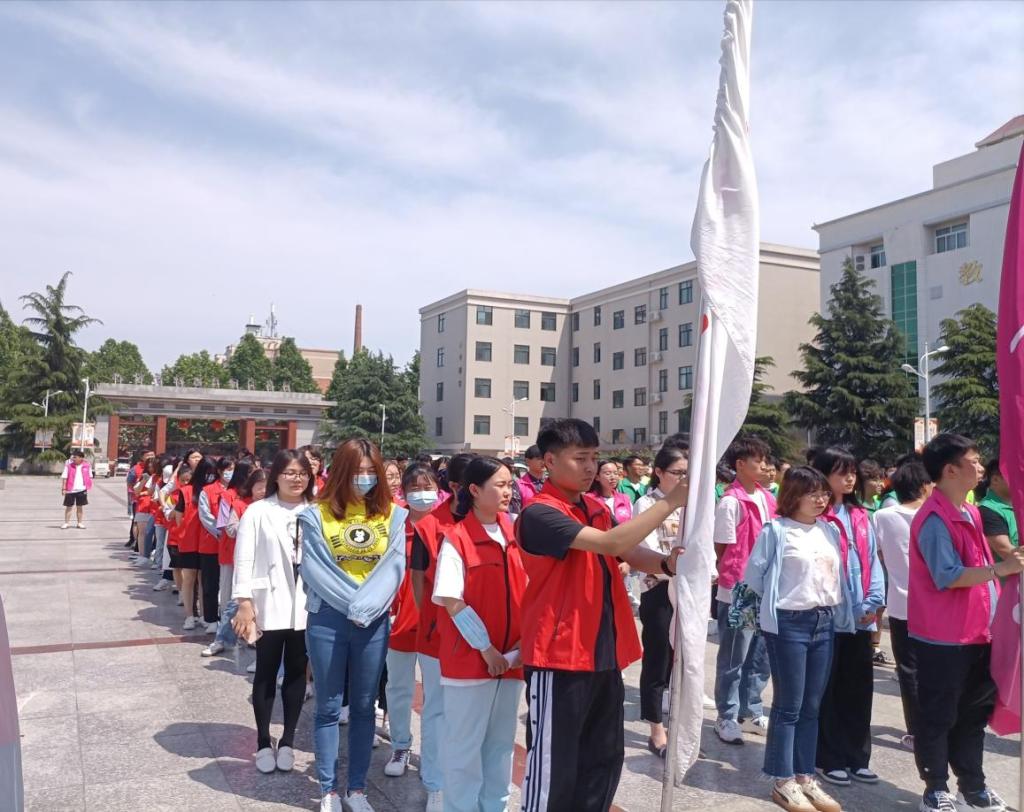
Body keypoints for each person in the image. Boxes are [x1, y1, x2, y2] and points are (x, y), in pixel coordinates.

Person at [517, 419, 686, 811]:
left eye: (594, 457)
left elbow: (629, 551)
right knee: (554, 768)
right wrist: (670, 502)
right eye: (580, 458)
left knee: (603, 761)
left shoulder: (594, 507)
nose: (590, 467)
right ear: (549, 461)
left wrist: (666, 563)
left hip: (603, 652)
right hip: (560, 656)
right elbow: (611, 543)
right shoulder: (540, 513)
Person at [909, 434, 1024, 812]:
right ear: (950, 470)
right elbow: (947, 575)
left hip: (979, 632)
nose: (980, 466)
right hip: (943, 637)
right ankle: (935, 789)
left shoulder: (971, 512)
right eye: (973, 461)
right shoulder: (934, 518)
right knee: (939, 716)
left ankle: (972, 788)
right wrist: (1000, 569)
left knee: (973, 717)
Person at [298, 439, 408, 812]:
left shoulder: (394, 515)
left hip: (373, 622)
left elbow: (394, 569)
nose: (364, 478)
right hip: (328, 618)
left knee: (363, 706)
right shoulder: (316, 514)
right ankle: (328, 790)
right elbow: (316, 570)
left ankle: (356, 789)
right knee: (328, 706)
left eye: (370, 472)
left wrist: (366, 608)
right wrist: (356, 605)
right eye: (357, 471)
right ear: (342, 472)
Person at [743, 466, 850, 812]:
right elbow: (753, 577)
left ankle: (805, 775)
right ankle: (782, 778)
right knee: (789, 705)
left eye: (823, 493)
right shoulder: (776, 530)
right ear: (793, 495)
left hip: (824, 620)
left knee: (812, 706)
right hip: (789, 623)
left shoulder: (829, 530)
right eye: (812, 493)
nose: (820, 499)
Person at [433, 457, 526, 812]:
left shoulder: (515, 532)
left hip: (512, 660)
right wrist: (487, 650)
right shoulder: (456, 538)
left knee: (501, 747)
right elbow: (452, 601)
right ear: (474, 490)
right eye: (500, 485)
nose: (508, 491)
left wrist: (517, 649)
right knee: (464, 749)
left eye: (510, 484)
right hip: (471, 662)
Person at [231, 450, 311, 776]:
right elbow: (244, 558)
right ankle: (264, 740)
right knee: (265, 671)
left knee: (297, 672)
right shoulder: (258, 511)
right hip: (268, 601)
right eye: (289, 472)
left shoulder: (317, 511)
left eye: (302, 472)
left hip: (305, 606)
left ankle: (288, 739)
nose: (296, 478)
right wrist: (244, 601)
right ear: (276, 475)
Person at [810, 447, 885, 787]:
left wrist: (873, 601)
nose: (850, 478)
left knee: (858, 687)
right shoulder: (816, 516)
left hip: (861, 616)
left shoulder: (860, 514)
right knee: (829, 688)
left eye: (853, 471)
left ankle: (858, 756)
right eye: (841, 472)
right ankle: (828, 757)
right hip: (829, 615)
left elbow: (873, 560)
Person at [410, 452, 475, 812]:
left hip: (485, 635)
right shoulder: (430, 525)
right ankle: (435, 781)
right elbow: (419, 579)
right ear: (456, 486)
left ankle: (468, 781)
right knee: (437, 709)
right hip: (438, 634)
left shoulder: (498, 523)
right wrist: (434, 620)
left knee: (473, 714)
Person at [713, 436, 775, 745]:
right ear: (740, 465)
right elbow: (721, 547)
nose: (765, 466)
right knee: (734, 657)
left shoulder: (768, 497)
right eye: (758, 460)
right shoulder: (731, 502)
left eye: (765, 460)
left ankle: (751, 711)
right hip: (740, 589)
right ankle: (726, 714)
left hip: (767, 587)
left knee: (760, 656)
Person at [382, 463, 438, 780]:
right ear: (403, 492)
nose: (422, 493)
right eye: (414, 488)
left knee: (435, 693)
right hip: (399, 620)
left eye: (427, 486)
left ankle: (432, 754)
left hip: (436, 623)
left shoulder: (446, 525)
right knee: (399, 686)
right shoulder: (392, 524)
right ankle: (400, 745)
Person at [632, 446, 687, 757]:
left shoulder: (689, 505)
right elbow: (646, 547)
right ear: (659, 473)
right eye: (677, 473)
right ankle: (656, 729)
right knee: (658, 658)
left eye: (686, 473)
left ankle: (679, 724)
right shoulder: (647, 504)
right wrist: (669, 565)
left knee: (683, 659)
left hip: (687, 589)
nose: (682, 478)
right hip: (659, 589)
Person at [873, 457, 932, 751]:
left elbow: (877, 555)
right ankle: (938, 729)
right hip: (938, 607)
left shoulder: (882, 517)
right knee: (937, 670)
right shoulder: (937, 515)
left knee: (909, 672)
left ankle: (917, 732)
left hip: (901, 604)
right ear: (924, 486)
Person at [203, 462, 259, 657]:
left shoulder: (268, 504)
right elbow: (225, 527)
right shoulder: (230, 497)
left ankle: (250, 637)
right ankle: (223, 638)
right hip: (231, 553)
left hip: (258, 559)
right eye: (251, 472)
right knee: (230, 599)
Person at [198, 456, 235, 634]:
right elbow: (205, 516)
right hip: (212, 543)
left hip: (232, 545)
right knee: (210, 583)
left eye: (233, 469)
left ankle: (228, 619)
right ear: (219, 471)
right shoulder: (208, 490)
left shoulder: (238, 490)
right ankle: (211, 619)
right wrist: (221, 533)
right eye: (228, 469)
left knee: (230, 585)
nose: (230, 473)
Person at [978, 457, 1018, 563]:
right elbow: (1006, 551)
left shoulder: (1018, 505)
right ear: (995, 480)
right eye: (1015, 475)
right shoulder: (987, 510)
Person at [60, 449, 92, 529]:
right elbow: (64, 477)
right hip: (70, 490)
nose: (73, 458)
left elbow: (90, 476)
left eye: (75, 457)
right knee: (69, 507)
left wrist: (87, 486)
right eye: (73, 457)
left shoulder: (87, 466)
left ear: (81, 458)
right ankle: (66, 523)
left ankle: (79, 523)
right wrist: (63, 489)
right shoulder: (69, 466)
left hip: (82, 490)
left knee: (80, 507)